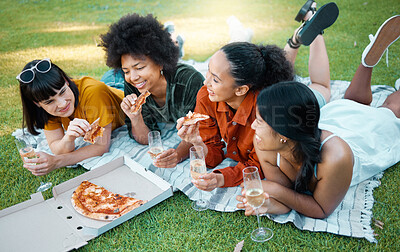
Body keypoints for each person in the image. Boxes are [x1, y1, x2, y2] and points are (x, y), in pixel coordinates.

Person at [237, 15, 400, 219]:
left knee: (389, 110)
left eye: (259, 121)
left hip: (360, 139)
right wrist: (267, 204)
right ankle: (366, 62)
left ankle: (369, 64)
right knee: (351, 104)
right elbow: (289, 197)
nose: (252, 127)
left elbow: (321, 209)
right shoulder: (265, 143)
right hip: (335, 118)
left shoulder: (336, 157)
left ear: (283, 133)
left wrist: (275, 191)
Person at [177, 1, 338, 191]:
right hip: (271, 87)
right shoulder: (206, 96)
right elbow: (213, 153)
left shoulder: (268, 114)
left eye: (215, 79)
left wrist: (222, 178)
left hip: (290, 100)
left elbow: (261, 164)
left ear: (241, 89)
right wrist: (196, 141)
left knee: (321, 87)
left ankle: (314, 28)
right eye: (208, 73)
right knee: (279, 70)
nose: (205, 84)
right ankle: (294, 41)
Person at [99, 13, 204, 168]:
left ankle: (175, 42)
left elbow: (202, 130)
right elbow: (146, 139)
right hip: (113, 81)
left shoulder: (189, 80)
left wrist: (178, 154)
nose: (133, 77)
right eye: (126, 71)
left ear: (160, 62)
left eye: (139, 67)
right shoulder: (132, 85)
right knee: (110, 79)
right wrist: (135, 117)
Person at [17, 59, 125, 176]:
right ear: (37, 103)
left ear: (66, 81)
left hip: (119, 84)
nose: (62, 104)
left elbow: (101, 146)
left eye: (62, 92)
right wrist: (68, 138)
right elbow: (56, 147)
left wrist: (57, 162)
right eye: (49, 101)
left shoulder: (94, 93)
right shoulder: (46, 110)